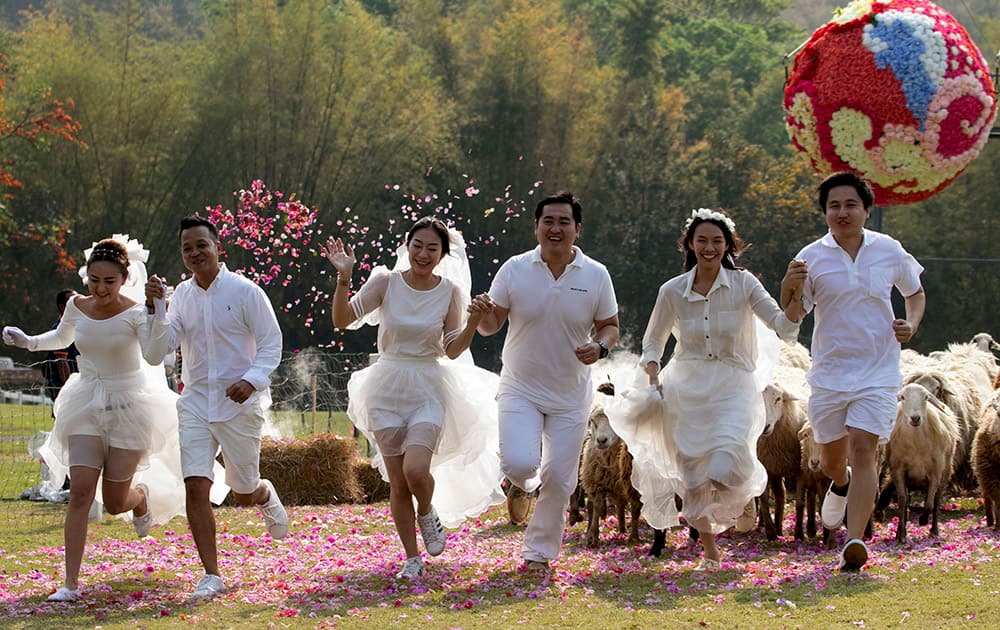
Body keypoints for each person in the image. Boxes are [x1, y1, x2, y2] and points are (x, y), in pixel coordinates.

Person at [606, 208, 801, 571]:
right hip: (686, 388)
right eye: (702, 241)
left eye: (717, 241)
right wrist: (652, 374)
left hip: (733, 384)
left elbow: (781, 326)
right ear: (690, 245)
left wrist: (796, 300)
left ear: (728, 245)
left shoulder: (744, 284)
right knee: (693, 476)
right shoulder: (672, 291)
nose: (709, 248)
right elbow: (653, 343)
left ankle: (741, 500)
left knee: (729, 467)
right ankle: (710, 551)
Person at [2, 237, 186, 602]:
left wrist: (159, 309)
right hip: (86, 401)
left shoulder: (136, 312)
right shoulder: (76, 305)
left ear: (124, 278)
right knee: (81, 493)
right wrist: (27, 342)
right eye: (94, 280)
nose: (101, 289)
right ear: (87, 276)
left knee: (115, 501)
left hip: (128, 405)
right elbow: (61, 335)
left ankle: (140, 499)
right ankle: (70, 583)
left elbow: (153, 356)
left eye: (109, 281)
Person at [322, 216, 504, 580]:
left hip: (428, 384)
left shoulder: (450, 290)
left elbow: (452, 349)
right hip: (386, 386)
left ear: (442, 254)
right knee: (398, 481)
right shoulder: (385, 282)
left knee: (416, 469)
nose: (423, 253)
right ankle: (411, 558)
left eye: (431, 248)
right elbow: (342, 319)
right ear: (407, 248)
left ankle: (427, 510)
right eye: (417, 246)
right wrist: (344, 277)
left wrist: (471, 322)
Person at [781, 171, 924, 572]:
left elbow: (914, 292)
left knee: (865, 449)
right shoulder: (810, 257)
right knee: (830, 459)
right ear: (825, 212)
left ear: (866, 209)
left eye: (850, 205)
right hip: (829, 373)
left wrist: (909, 325)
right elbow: (793, 317)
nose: (842, 212)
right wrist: (787, 287)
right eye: (834, 206)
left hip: (878, 371)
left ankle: (855, 542)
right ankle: (839, 483)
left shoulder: (889, 249)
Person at [143, 216, 286, 601]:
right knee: (196, 484)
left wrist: (252, 379)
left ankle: (262, 493)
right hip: (193, 404)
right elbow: (157, 353)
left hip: (238, 405)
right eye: (187, 248)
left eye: (200, 245)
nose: (194, 253)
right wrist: (156, 308)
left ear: (217, 246)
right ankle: (211, 574)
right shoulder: (181, 298)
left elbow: (272, 343)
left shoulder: (245, 292)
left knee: (241, 492)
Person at [476, 192, 619, 575]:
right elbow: (492, 326)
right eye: (548, 222)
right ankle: (520, 484)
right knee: (520, 463)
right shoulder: (514, 269)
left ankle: (538, 552)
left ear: (577, 229)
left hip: (571, 394)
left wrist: (600, 347)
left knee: (560, 478)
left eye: (563, 222)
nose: (555, 229)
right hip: (520, 387)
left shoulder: (596, 274)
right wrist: (481, 316)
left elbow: (610, 325)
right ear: (536, 227)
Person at [42, 289, 80, 404]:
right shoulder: (58, 329)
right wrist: (69, 389)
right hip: (63, 384)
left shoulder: (79, 326)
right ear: (63, 307)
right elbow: (61, 362)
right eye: (72, 301)